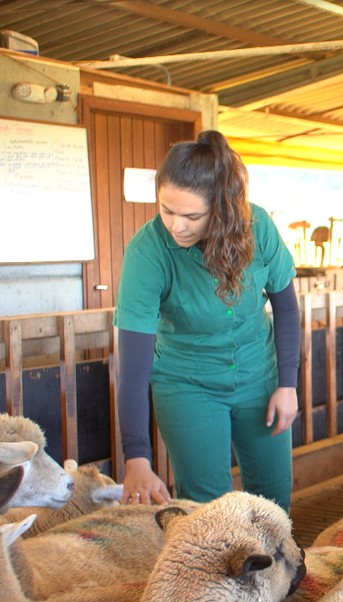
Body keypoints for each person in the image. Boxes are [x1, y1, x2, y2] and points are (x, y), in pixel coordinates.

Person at [113, 130, 300, 511]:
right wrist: (136, 458)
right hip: (187, 385)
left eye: (192, 216)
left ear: (222, 208)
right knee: (206, 509)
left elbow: (286, 308)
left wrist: (288, 384)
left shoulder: (257, 226)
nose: (176, 226)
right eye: (167, 210)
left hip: (258, 377)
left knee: (274, 497)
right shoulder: (148, 251)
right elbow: (133, 366)